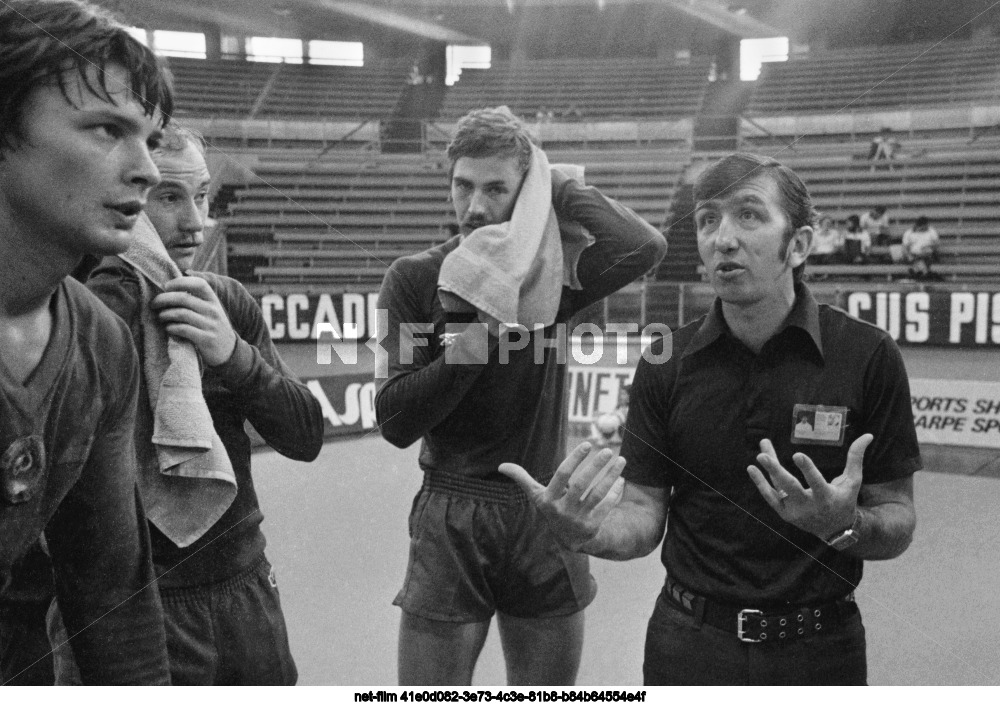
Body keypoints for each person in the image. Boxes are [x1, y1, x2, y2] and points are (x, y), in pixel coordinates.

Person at [501, 152, 920, 685]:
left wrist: (844, 525)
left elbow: (897, 517)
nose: (723, 238)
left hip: (821, 651)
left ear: (800, 245)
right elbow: (643, 512)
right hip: (688, 647)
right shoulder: (665, 361)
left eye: (749, 215)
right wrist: (589, 535)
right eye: (707, 220)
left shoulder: (867, 355)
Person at [375, 106, 666, 685]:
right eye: (463, 185)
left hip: (546, 506)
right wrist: (480, 333)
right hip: (451, 509)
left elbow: (644, 245)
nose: (476, 206)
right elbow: (395, 419)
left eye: (497, 188)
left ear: (524, 191)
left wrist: (555, 182)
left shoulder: (550, 281)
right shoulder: (413, 278)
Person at [58, 125, 325, 685]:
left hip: (242, 585)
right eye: (170, 197)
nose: (195, 223)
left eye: (201, 195)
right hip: (132, 603)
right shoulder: (75, 311)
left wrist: (233, 356)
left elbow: (305, 436)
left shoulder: (224, 300)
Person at [0, 0, 172, 685]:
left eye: (151, 141)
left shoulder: (100, 341)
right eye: (108, 129)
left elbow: (112, 597)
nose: (148, 171)